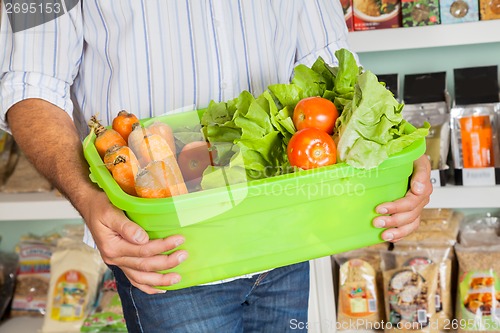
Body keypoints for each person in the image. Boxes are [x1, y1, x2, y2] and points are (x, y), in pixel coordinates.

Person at [0, 1, 432, 332]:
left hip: (287, 230)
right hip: (171, 253)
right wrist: (86, 195)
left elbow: (335, 69)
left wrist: (399, 153)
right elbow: (29, 85)